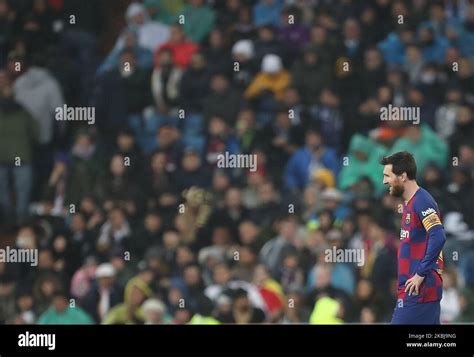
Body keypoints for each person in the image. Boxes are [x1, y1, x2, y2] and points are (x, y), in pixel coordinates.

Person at [381, 151, 446, 324]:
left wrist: (420, 273)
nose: (384, 181)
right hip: (416, 290)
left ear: (402, 176)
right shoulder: (410, 204)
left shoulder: (422, 201)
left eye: (387, 176)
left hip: (419, 291)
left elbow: (438, 235)